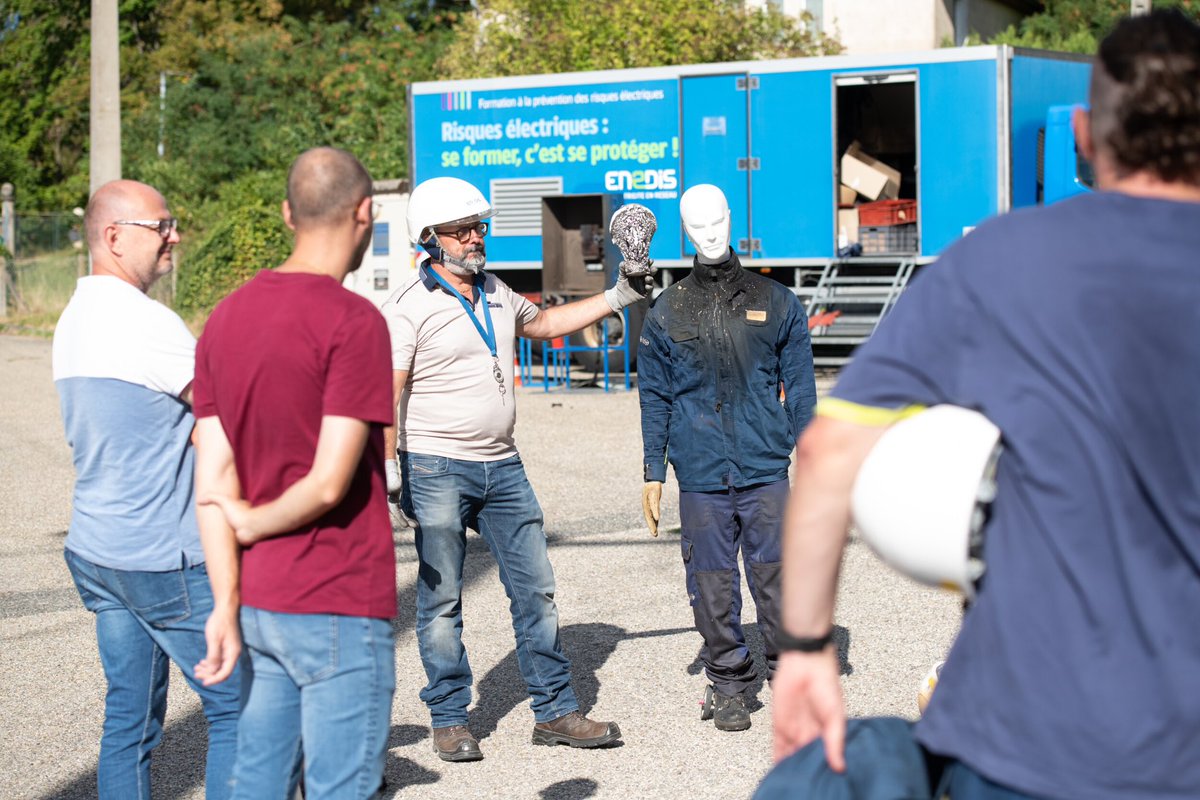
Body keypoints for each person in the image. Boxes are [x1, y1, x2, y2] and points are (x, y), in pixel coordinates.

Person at [763, 9, 1200, 799]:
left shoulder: (1001, 260)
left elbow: (828, 450)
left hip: (1020, 743)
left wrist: (804, 648)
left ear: (1085, 137)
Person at [381, 176, 644, 761]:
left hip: (504, 467)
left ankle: (554, 711)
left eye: (480, 225)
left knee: (536, 592)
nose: (478, 236)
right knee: (442, 600)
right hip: (435, 467)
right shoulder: (404, 307)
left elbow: (545, 325)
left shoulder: (497, 290)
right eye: (464, 229)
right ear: (430, 238)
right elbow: (385, 392)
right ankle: (450, 718)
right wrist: (388, 469)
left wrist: (619, 296)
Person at [192, 147, 396, 798]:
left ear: (287, 214)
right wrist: (256, 520)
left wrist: (224, 603)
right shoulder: (354, 321)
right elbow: (329, 482)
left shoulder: (223, 320)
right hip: (338, 595)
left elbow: (211, 485)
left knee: (258, 784)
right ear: (365, 212)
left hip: (260, 602)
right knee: (341, 786)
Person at [52, 179, 240, 799]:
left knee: (129, 721)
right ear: (113, 237)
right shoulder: (144, 321)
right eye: (160, 226)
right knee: (240, 707)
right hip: (162, 557)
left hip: (98, 551)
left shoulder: (75, 316)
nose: (174, 236)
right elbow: (227, 424)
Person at [637, 183, 816, 732]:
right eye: (698, 226)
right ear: (684, 233)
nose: (711, 234)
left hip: (764, 468)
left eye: (718, 222)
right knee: (711, 584)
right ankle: (729, 681)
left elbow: (802, 388)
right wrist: (652, 470)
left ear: (732, 220)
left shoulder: (777, 302)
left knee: (779, 577)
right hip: (701, 474)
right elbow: (655, 395)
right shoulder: (668, 311)